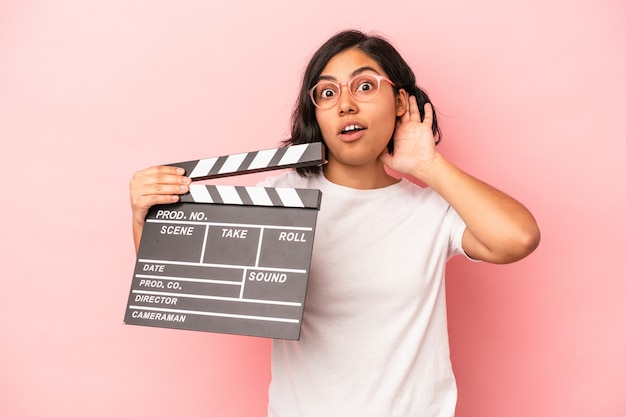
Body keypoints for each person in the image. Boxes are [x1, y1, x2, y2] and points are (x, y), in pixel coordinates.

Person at [129, 29, 540, 417]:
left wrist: (429, 165)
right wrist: (143, 214)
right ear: (317, 113)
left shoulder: (430, 209)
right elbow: (179, 280)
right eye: (327, 93)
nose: (346, 104)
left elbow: (518, 237)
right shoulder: (279, 199)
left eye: (364, 86)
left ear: (400, 102)